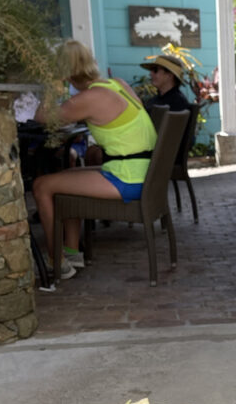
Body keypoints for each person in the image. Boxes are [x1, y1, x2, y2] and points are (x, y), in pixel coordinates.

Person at [32, 40, 157, 280]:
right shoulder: (117, 84)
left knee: (41, 185)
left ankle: (55, 261)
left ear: (65, 71)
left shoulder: (91, 97)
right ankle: (71, 252)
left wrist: (50, 83)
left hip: (128, 177)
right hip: (144, 171)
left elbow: (43, 116)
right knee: (66, 177)